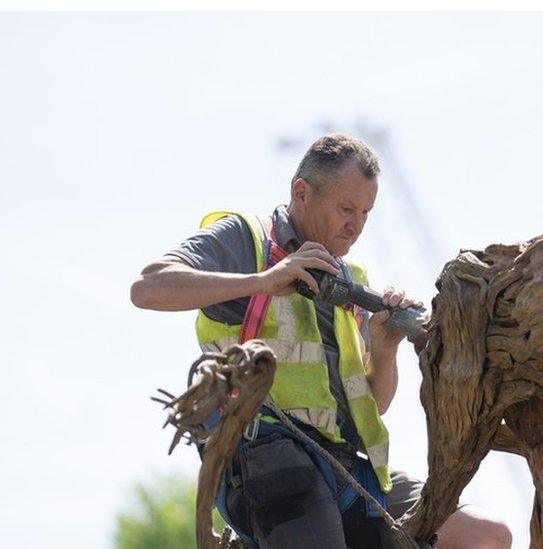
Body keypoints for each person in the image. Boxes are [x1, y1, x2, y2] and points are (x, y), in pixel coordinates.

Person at [131, 134, 512, 548]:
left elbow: (373, 405)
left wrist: (384, 350)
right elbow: (147, 288)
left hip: (345, 469)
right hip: (266, 459)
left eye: (366, 212)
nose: (356, 224)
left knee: (485, 536)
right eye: (346, 208)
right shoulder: (248, 240)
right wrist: (264, 280)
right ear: (301, 193)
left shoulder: (352, 281)